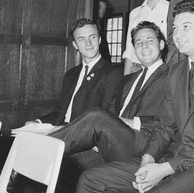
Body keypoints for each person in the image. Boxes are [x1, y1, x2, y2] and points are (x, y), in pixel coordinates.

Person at [76, 0, 194, 193]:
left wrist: (164, 170)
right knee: (90, 180)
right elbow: (165, 125)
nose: (177, 35)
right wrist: (148, 159)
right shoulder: (177, 71)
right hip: (169, 159)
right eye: (175, 28)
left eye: (186, 27)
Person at [49, 21, 169, 172]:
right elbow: (111, 112)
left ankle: (40, 147)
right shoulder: (128, 80)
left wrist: (133, 122)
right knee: (68, 166)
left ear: (162, 44)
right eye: (138, 43)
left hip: (146, 145)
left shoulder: (173, 76)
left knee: (96, 116)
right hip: (113, 142)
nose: (144, 46)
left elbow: (173, 122)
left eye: (150, 41)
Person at [36, 18, 120, 126]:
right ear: (75, 45)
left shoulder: (111, 74)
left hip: (82, 135)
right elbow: (60, 112)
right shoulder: (71, 74)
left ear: (99, 40)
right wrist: (38, 122)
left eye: (92, 37)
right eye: (81, 39)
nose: (88, 43)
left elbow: (104, 119)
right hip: (60, 129)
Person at [123, 0, 171, 75]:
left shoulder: (171, 10)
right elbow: (130, 50)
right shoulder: (135, 13)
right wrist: (126, 78)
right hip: (136, 69)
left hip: (159, 71)